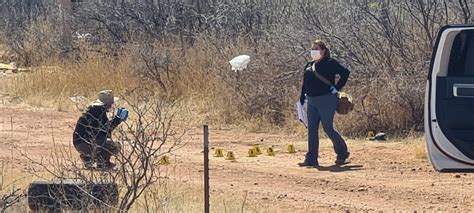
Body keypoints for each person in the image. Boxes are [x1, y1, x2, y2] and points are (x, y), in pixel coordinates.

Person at [298, 40, 350, 167]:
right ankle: (311, 159)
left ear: (324, 51)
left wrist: (337, 88)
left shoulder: (330, 63)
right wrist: (302, 97)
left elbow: (345, 73)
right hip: (311, 100)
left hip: (326, 99)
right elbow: (305, 83)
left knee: (328, 128)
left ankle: (342, 152)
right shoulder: (309, 65)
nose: (314, 51)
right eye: (312, 48)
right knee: (312, 129)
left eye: (317, 48)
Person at [73, 90, 128, 169]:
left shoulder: (94, 110)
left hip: (79, 143)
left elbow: (101, 130)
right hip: (86, 144)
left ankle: (88, 158)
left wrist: (116, 120)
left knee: (104, 141)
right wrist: (117, 120)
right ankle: (102, 163)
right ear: (106, 104)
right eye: (110, 104)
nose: (111, 106)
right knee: (113, 146)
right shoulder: (98, 113)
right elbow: (103, 132)